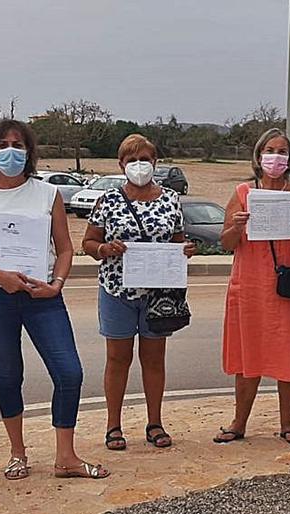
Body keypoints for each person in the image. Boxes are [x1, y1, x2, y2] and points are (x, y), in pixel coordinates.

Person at [0, 120, 108, 481]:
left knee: (69, 372)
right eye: (3, 144)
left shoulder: (47, 194)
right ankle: (17, 453)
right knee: (8, 376)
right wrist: (2, 277)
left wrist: (57, 284)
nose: (11, 150)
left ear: (29, 151)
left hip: (42, 296)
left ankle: (66, 457)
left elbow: (66, 249)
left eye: (18, 144)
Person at [214, 128, 290, 446]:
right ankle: (239, 423)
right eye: (270, 150)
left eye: (282, 151)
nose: (276, 157)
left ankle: (288, 422)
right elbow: (225, 244)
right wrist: (237, 227)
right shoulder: (242, 193)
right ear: (258, 155)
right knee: (247, 357)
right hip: (251, 286)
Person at [82, 134, 196, 451]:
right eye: (132, 160)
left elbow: (178, 240)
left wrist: (185, 250)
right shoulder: (108, 200)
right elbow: (88, 243)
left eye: (144, 159)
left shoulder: (171, 199)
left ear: (155, 162)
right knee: (117, 358)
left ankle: (155, 422)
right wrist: (105, 248)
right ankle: (113, 426)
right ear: (121, 165)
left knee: (154, 359)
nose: (138, 165)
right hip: (116, 289)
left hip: (159, 294)